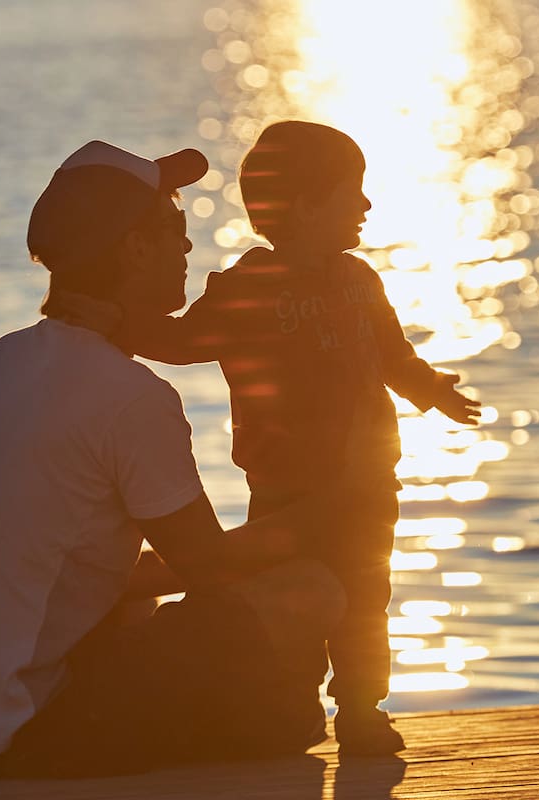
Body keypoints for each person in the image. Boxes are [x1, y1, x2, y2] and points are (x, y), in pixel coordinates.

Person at [0, 139, 355, 778]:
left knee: (134, 600)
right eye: (175, 229)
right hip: (20, 731)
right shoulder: (132, 397)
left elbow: (69, 569)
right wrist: (325, 517)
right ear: (134, 247)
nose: (188, 248)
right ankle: (280, 720)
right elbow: (209, 566)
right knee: (311, 589)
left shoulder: (3, 362)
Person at [122, 121, 481, 755]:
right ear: (309, 207)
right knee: (293, 599)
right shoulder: (247, 288)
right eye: (354, 192)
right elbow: (178, 343)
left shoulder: (359, 280)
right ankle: (290, 702)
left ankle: (362, 711)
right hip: (286, 492)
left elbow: (392, 356)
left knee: (366, 600)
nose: (366, 206)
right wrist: (114, 323)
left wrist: (433, 391)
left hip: (367, 488)